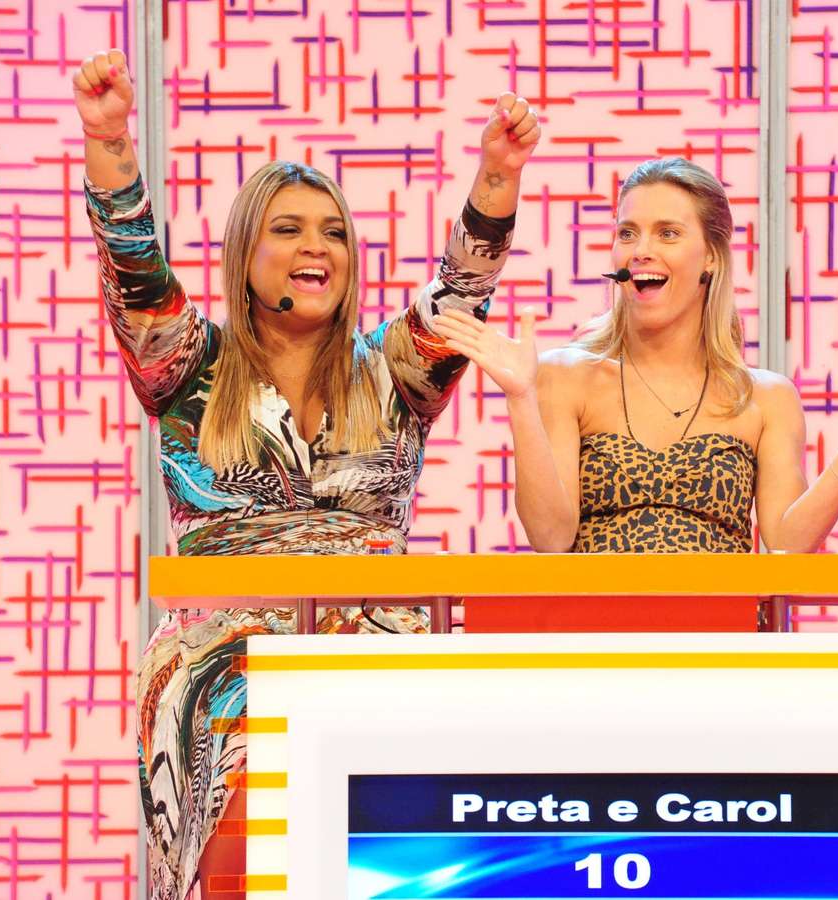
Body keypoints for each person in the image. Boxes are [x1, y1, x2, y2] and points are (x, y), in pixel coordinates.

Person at [73, 49, 539, 899]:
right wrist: (110, 140)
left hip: (381, 657)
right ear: (245, 252)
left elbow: (462, 287)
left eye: (332, 232)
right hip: (229, 668)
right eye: (287, 229)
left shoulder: (393, 370)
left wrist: (498, 173)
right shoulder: (189, 366)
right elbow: (135, 272)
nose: (314, 246)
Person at [433, 156, 838, 555]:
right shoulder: (564, 375)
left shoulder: (765, 397)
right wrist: (522, 398)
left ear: (711, 258)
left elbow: (789, 546)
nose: (641, 250)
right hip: (597, 648)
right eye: (628, 232)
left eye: (668, 233)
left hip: (726, 651)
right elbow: (551, 539)